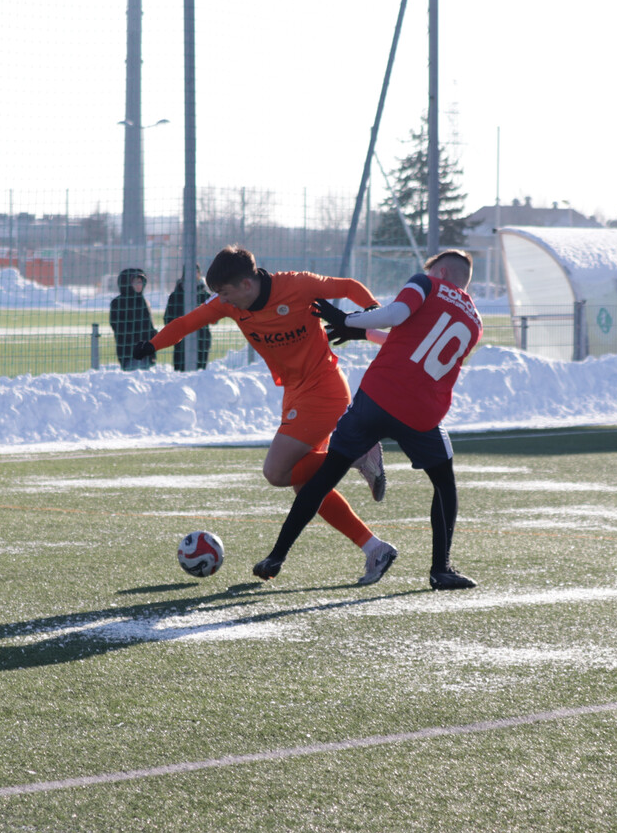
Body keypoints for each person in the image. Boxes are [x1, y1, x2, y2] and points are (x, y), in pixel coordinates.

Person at [133, 244, 394, 585]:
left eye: (225, 293)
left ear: (246, 284)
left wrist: (371, 311)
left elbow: (347, 286)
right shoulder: (229, 303)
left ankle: (357, 453)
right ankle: (375, 548)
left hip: (324, 389)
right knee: (305, 484)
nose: (222, 301)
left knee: (275, 471)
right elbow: (187, 322)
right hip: (296, 393)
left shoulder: (298, 285)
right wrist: (153, 345)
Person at [252, 248, 484, 591]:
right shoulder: (475, 321)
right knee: (444, 486)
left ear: (442, 272)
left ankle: (276, 556)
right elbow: (415, 341)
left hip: (378, 397)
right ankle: (441, 568)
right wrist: (364, 334)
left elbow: (395, 313)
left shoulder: (427, 283)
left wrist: (347, 320)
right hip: (421, 413)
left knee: (325, 476)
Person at [164, 264, 212, 370]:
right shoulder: (175, 295)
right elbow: (168, 318)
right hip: (181, 341)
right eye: (191, 272)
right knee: (181, 372)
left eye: (196, 272)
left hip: (201, 340)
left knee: (199, 374)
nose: (194, 275)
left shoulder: (205, 295)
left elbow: (214, 319)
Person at [109, 268, 157, 370]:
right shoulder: (118, 303)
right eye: (135, 282)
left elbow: (149, 327)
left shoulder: (144, 302)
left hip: (146, 353)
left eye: (141, 282)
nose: (139, 285)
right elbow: (119, 327)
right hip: (130, 354)